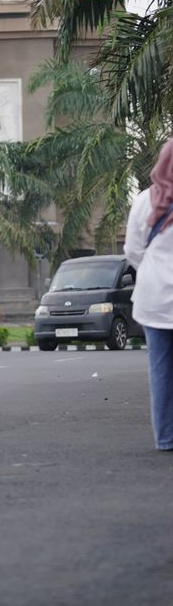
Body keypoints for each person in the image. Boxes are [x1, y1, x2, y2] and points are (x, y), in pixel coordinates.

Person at [124, 138, 173, 451]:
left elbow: (133, 250)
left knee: (160, 370)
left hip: (155, 302)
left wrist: (155, 271)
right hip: (155, 300)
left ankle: (166, 437)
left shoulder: (144, 200)